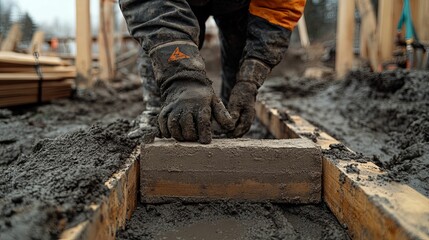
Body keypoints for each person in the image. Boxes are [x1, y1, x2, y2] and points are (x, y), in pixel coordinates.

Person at [120, 0, 306, 144]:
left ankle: (224, 125)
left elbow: (279, 9)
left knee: (235, 93)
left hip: (242, 6)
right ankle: (157, 116)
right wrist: (182, 77)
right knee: (165, 56)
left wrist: (250, 80)